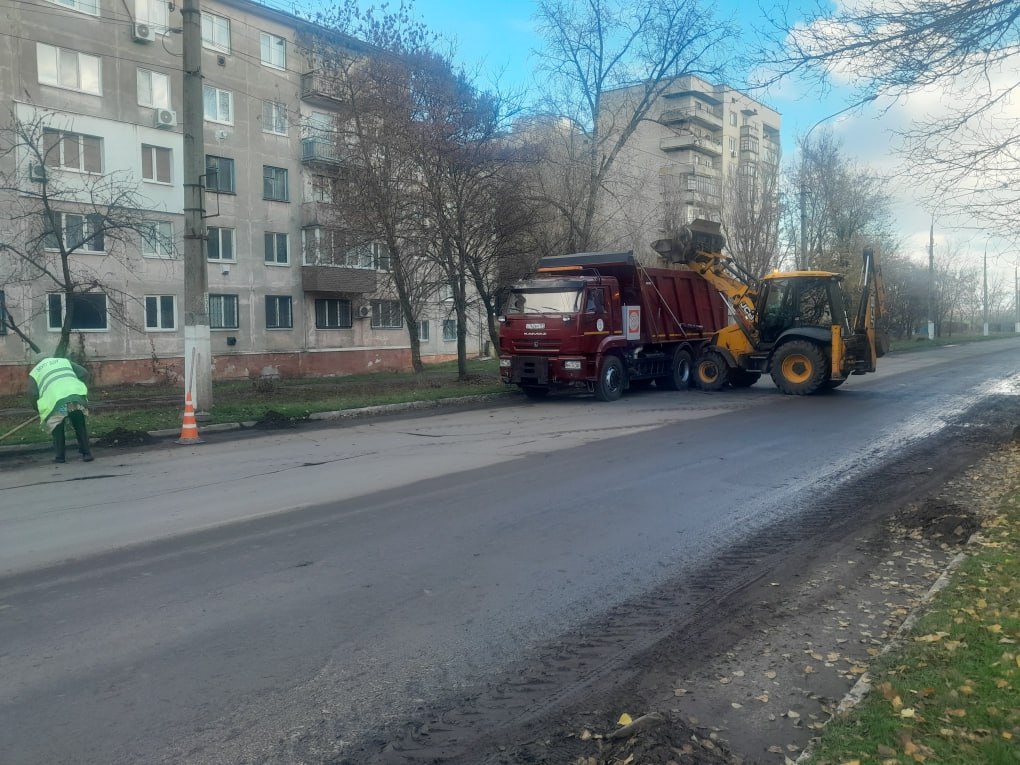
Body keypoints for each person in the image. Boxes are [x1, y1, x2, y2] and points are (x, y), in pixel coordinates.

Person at [28, 355, 93, 463]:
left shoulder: (35, 371)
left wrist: (38, 409)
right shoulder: (64, 361)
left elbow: (33, 394)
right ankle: (87, 454)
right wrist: (79, 386)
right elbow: (84, 373)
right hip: (74, 396)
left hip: (56, 402)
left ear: (37, 363)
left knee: (57, 428)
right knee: (79, 425)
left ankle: (60, 457)